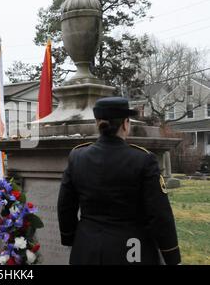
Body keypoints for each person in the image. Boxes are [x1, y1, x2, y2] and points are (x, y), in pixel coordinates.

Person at [58, 97, 181, 265]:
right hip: (132, 251)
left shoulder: (77, 156)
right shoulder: (143, 160)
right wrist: (172, 257)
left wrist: (70, 238)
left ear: (97, 123)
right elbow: (160, 215)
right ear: (125, 123)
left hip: (87, 249)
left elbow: (65, 206)